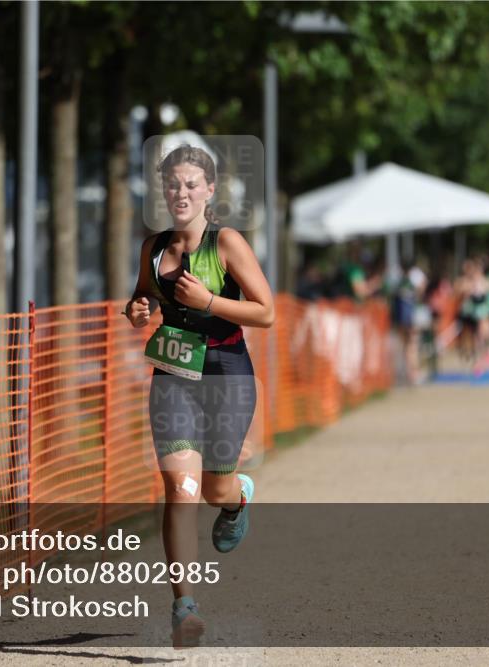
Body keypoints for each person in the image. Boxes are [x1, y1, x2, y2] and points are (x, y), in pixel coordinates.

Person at [124, 145, 275, 648]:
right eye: (172, 184)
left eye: (191, 184)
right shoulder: (153, 247)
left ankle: (237, 501)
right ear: (162, 190)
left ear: (210, 191)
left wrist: (210, 301)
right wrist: (140, 307)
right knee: (180, 490)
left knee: (214, 490)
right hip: (173, 374)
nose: (180, 193)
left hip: (227, 371)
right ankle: (184, 606)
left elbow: (266, 311)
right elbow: (142, 294)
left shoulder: (225, 243)